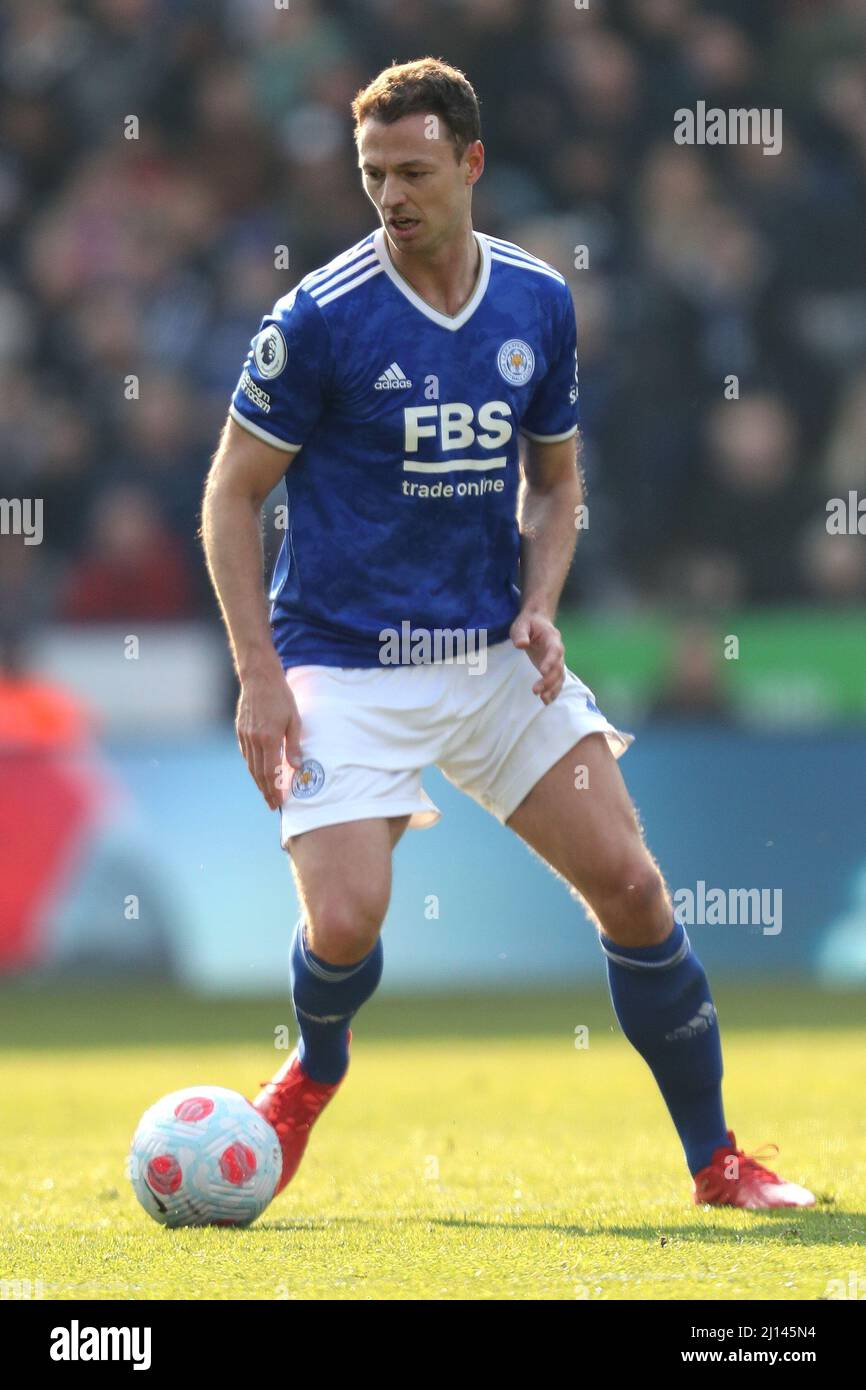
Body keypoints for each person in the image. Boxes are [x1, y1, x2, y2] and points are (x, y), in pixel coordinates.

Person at [202, 58, 813, 1210]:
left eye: (414, 171)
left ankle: (715, 1160)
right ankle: (312, 1073)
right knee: (341, 921)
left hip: (487, 654)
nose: (390, 194)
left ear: (471, 164)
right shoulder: (317, 319)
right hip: (340, 660)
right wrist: (257, 674)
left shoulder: (535, 301)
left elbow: (556, 486)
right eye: (372, 172)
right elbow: (232, 491)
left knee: (632, 887)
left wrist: (539, 601)